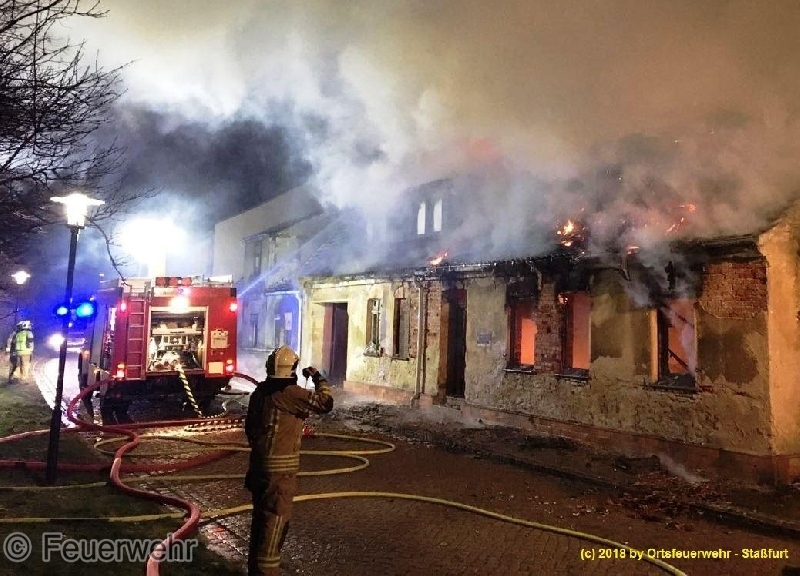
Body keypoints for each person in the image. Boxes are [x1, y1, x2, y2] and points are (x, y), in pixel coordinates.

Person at [245, 345, 334, 576]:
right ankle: (266, 572)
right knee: (275, 522)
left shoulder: (260, 392)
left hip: (258, 467)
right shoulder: (290, 393)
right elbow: (325, 402)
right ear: (291, 368)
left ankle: (254, 569)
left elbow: (250, 428)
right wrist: (317, 377)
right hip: (280, 473)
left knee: (260, 520)